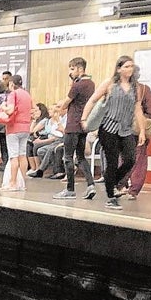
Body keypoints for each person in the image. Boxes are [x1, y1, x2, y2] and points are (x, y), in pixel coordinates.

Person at [83, 56, 146, 210]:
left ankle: (113, 183)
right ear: (118, 69)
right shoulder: (110, 83)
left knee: (130, 159)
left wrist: (142, 130)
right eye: (126, 66)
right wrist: (85, 118)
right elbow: (92, 100)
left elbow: (138, 109)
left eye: (131, 66)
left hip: (126, 129)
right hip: (108, 127)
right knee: (111, 162)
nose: (129, 69)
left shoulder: (136, 87)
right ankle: (111, 196)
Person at [54, 57, 97, 200]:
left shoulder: (77, 85)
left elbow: (65, 103)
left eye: (72, 69)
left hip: (72, 124)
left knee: (68, 156)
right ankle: (91, 185)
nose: (71, 72)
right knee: (80, 157)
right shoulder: (91, 84)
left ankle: (70, 189)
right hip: (83, 125)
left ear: (80, 69)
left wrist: (61, 104)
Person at [0, 75, 33, 191]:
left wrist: (3, 106)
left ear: (12, 84)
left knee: (13, 156)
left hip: (14, 128)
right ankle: (22, 183)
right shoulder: (27, 95)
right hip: (26, 127)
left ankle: (13, 182)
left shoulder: (12, 94)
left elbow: (10, 110)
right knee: (22, 155)